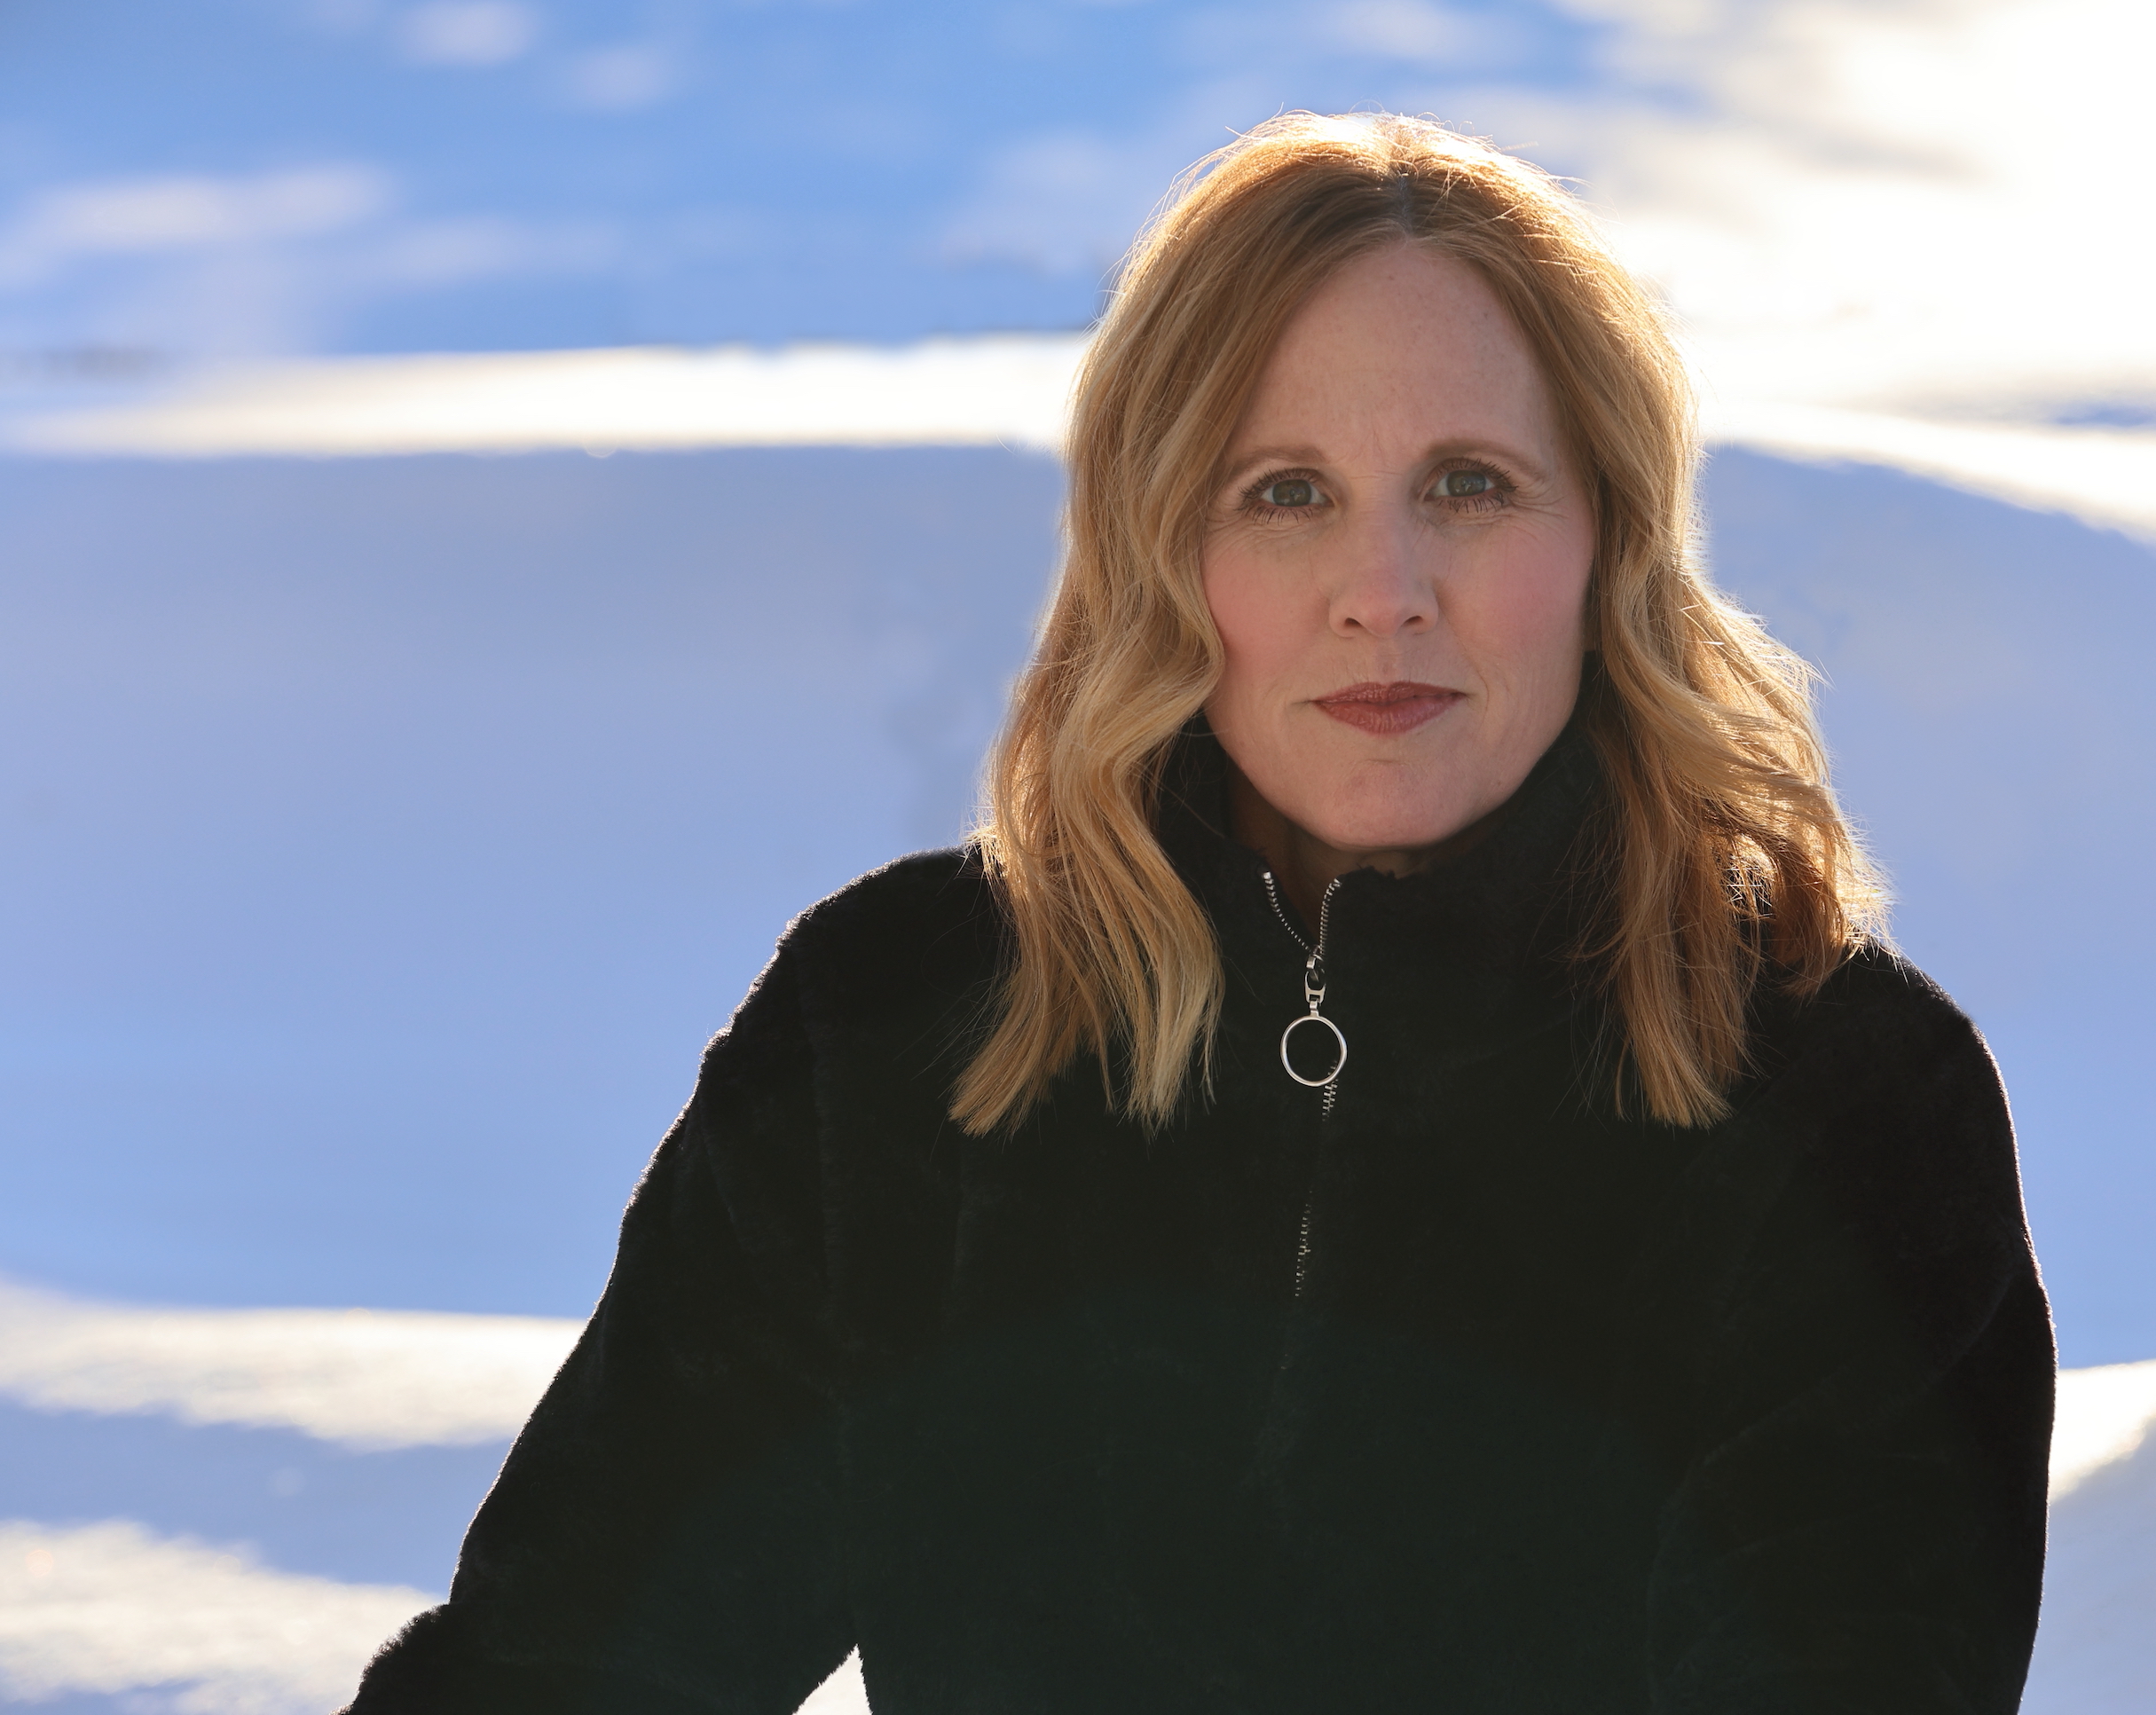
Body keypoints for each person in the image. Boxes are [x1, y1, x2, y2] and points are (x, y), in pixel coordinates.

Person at [346, 112, 2052, 1715]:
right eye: (1284, 490)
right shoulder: (903, 1028)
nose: (1383, 593)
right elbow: (558, 1665)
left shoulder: (1846, 1104)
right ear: (1160, 545)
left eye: (1469, 483)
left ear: (1607, 539)